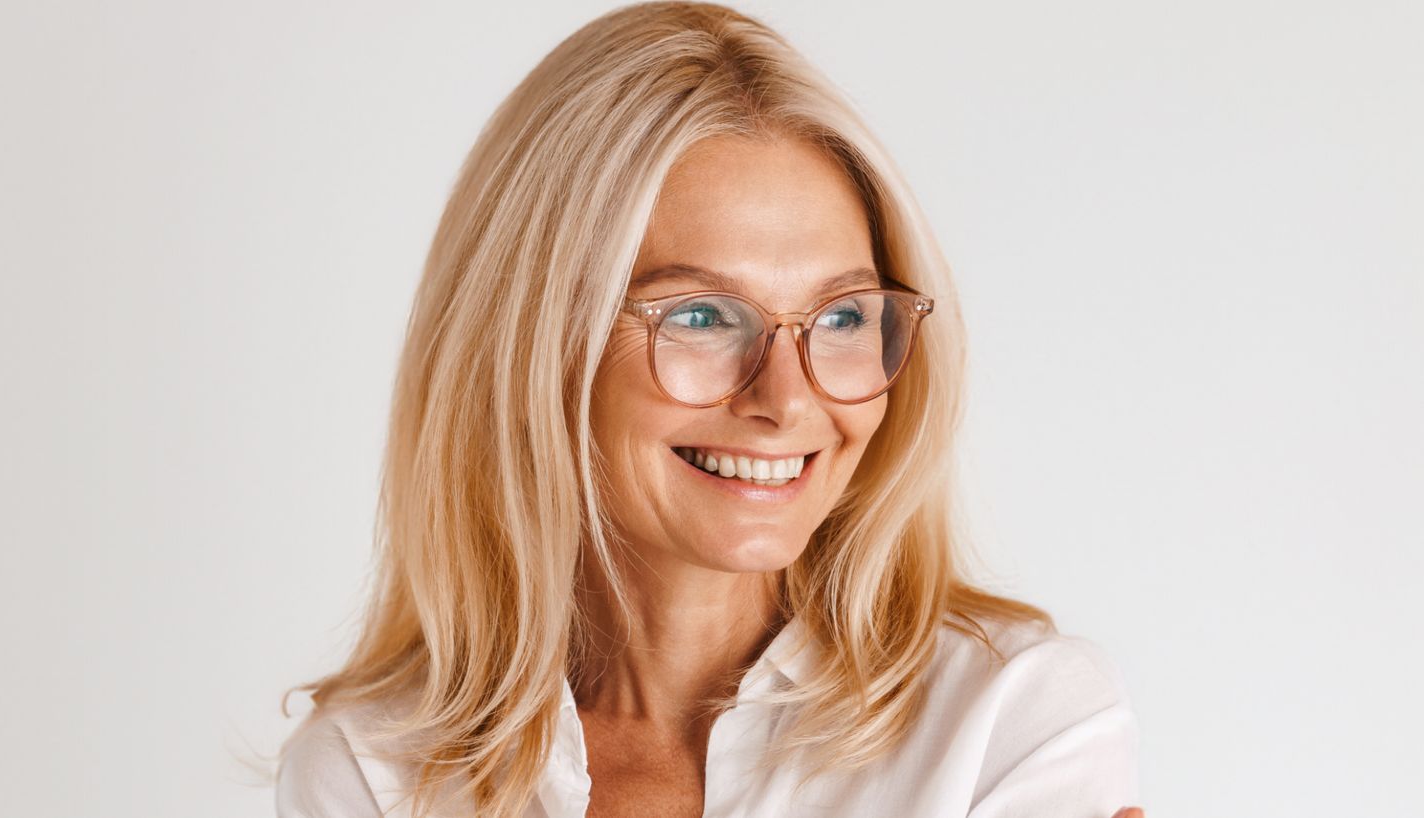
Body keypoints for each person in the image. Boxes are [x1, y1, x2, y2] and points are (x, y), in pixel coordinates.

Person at [274, 3, 1142, 817]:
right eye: (701, 316)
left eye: (841, 317)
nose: (787, 397)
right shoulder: (373, 771)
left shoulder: (1011, 718)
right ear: (534, 348)